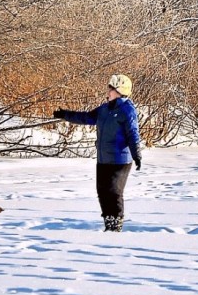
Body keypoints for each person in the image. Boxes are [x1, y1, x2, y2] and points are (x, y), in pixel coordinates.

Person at [53, 74, 142, 232]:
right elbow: (87, 117)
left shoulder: (127, 111)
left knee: (114, 192)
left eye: (111, 88)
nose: (108, 91)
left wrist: (137, 155)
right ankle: (108, 223)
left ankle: (116, 225)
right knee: (102, 192)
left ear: (120, 91)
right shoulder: (105, 109)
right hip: (103, 159)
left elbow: (133, 134)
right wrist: (65, 114)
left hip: (120, 160)